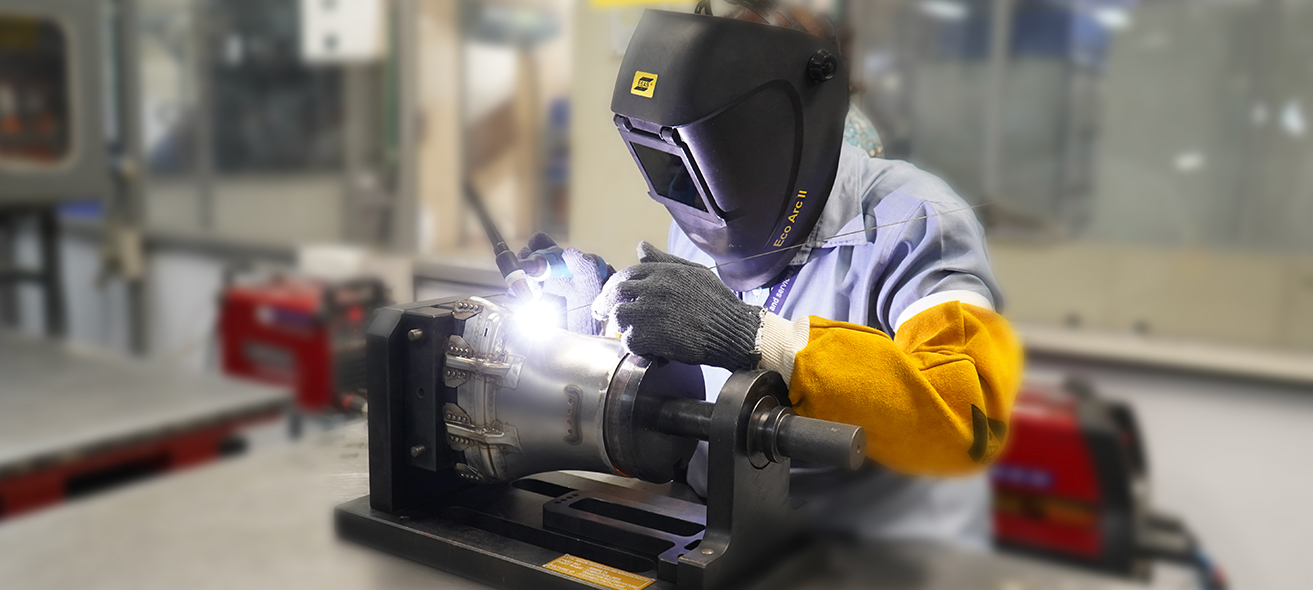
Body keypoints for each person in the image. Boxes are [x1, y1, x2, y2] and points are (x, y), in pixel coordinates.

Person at [520, 1, 1022, 549]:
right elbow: (691, 358)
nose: (688, 190)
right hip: (711, 535)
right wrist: (610, 312)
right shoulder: (700, 214)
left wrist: (758, 340)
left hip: (862, 555)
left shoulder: (913, 220)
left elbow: (968, 418)